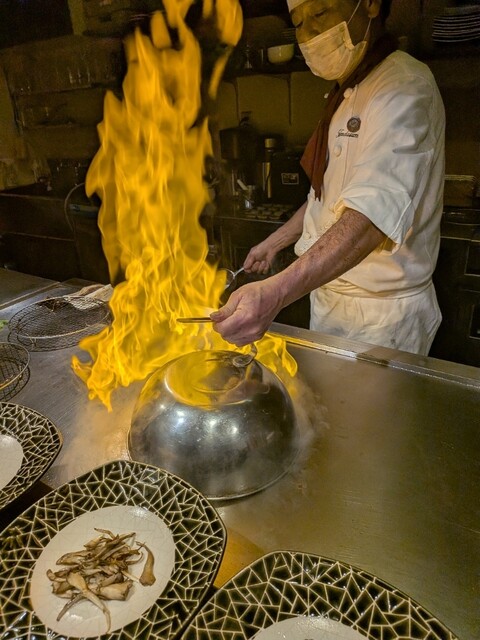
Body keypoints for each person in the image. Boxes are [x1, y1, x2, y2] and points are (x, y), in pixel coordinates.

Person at [211, 0, 445, 355]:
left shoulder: (405, 86)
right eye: (298, 23)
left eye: (320, 13)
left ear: (369, 5)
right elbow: (327, 199)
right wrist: (276, 242)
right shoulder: (345, 93)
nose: (308, 34)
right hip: (329, 300)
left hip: (380, 317)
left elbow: (370, 218)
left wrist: (277, 291)